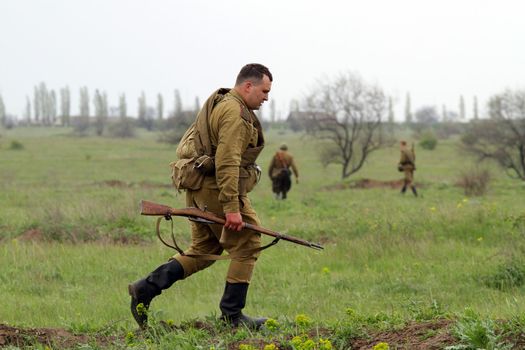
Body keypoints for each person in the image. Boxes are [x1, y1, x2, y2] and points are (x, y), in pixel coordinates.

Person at [128, 64, 273, 329]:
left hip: (201, 188)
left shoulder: (222, 101)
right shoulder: (235, 113)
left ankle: (144, 289)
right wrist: (232, 208)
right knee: (248, 243)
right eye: (264, 91)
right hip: (217, 190)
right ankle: (232, 316)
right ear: (248, 86)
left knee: (205, 249)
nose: (266, 97)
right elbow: (228, 161)